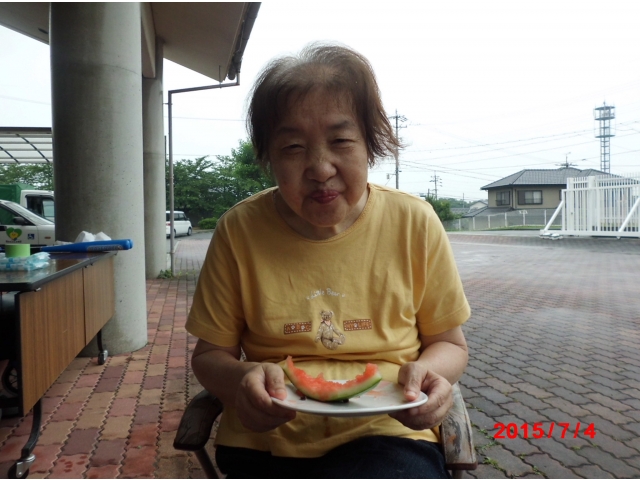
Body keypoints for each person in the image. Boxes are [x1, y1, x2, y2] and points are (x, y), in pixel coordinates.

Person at [186, 43, 471, 479]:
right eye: (293, 147)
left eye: (340, 141)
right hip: (264, 437)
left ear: (370, 145)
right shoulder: (239, 229)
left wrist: (429, 377)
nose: (320, 168)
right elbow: (210, 355)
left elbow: (450, 344)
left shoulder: (414, 221)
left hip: (389, 430)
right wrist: (241, 382)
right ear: (269, 157)